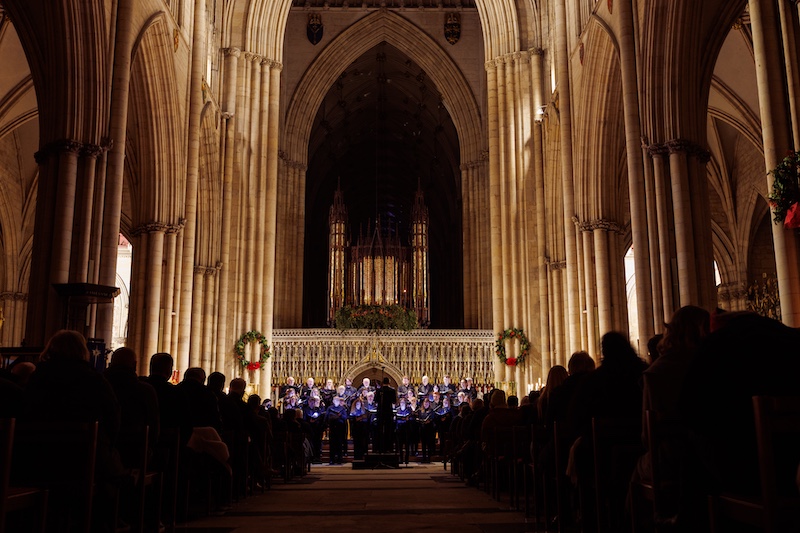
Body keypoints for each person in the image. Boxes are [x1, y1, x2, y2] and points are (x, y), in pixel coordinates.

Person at [375, 376, 397, 453]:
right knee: (388, 430)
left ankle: (380, 448)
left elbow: (376, 401)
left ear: (382, 383)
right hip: (388, 411)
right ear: (389, 383)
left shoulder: (379, 391)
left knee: (380, 430)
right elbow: (394, 401)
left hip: (380, 412)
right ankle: (388, 448)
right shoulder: (392, 390)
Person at [325, 396, 348, 464]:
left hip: (340, 428)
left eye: (338, 400)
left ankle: (339, 459)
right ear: (333, 401)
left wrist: (340, 415)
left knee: (339, 444)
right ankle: (332, 459)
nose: (336, 401)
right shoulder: (330, 408)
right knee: (332, 444)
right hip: (332, 427)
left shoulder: (342, 408)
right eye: (335, 400)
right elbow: (327, 416)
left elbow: (345, 417)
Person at [302, 395, 324, 462]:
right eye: (311, 402)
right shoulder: (305, 409)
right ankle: (311, 457)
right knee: (311, 444)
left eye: (313, 402)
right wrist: (310, 420)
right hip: (309, 429)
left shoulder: (318, 409)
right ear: (308, 402)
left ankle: (317, 457)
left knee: (317, 444)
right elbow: (304, 419)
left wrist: (316, 420)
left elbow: (321, 418)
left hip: (317, 429)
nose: (312, 403)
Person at [395, 397, 414, 464]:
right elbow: (395, 419)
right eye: (401, 402)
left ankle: (406, 459)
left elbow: (412, 418)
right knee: (399, 446)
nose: (402, 404)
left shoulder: (409, 410)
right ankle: (400, 459)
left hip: (407, 430)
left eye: (403, 402)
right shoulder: (397, 410)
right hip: (399, 430)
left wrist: (408, 419)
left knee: (407, 446)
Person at [417, 397, 436, 462]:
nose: (426, 404)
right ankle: (424, 457)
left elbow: (433, 418)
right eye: (425, 403)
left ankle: (429, 458)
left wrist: (429, 421)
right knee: (423, 444)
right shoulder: (420, 411)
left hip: (429, 429)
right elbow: (419, 418)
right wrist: (420, 421)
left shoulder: (432, 411)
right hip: (422, 429)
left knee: (429, 444)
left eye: (427, 403)